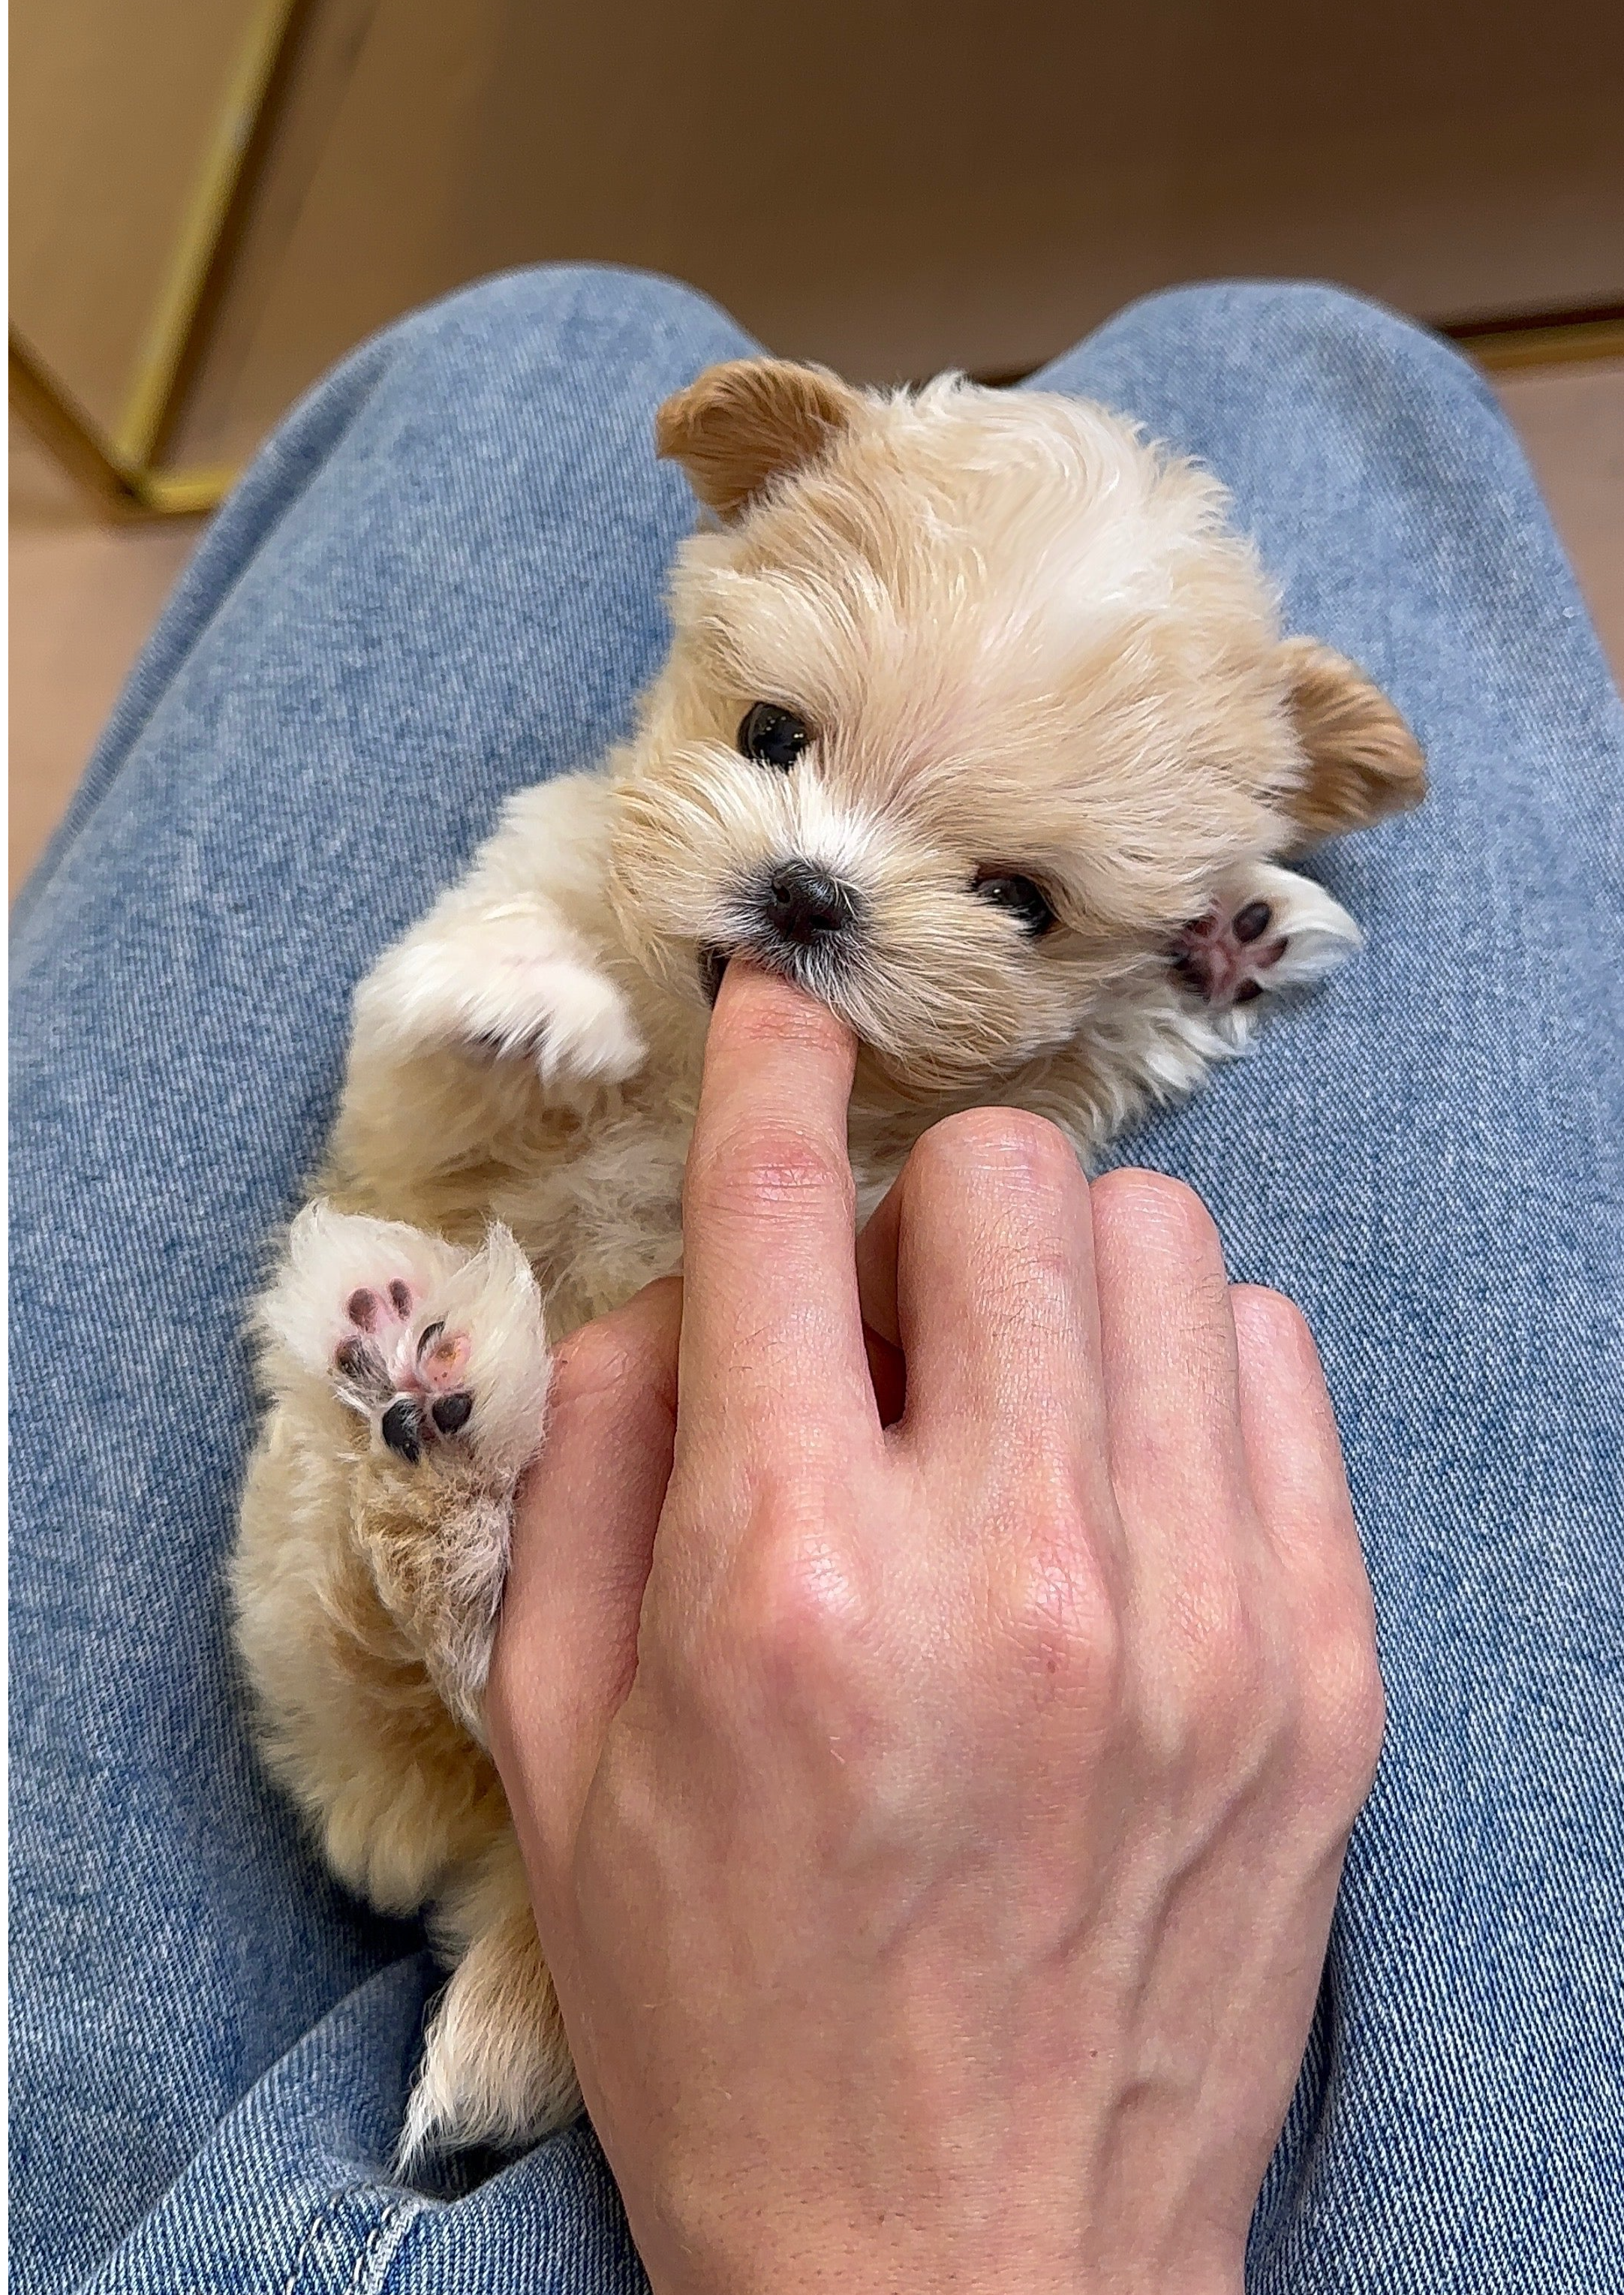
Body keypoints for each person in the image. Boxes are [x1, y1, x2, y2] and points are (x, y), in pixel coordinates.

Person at [8, 268, 1620, 2295]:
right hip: (571, 1485)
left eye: (1014, 894)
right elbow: (420, 1115)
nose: (808, 879)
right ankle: (436, 1540)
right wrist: (488, 1014)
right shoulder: (575, 877)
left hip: (780, 1722)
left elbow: (1085, 1057)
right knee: (1320, 358)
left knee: (533, 340)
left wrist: (1156, 998)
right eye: (774, 736)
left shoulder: (1078, 979)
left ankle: (532, 1899)